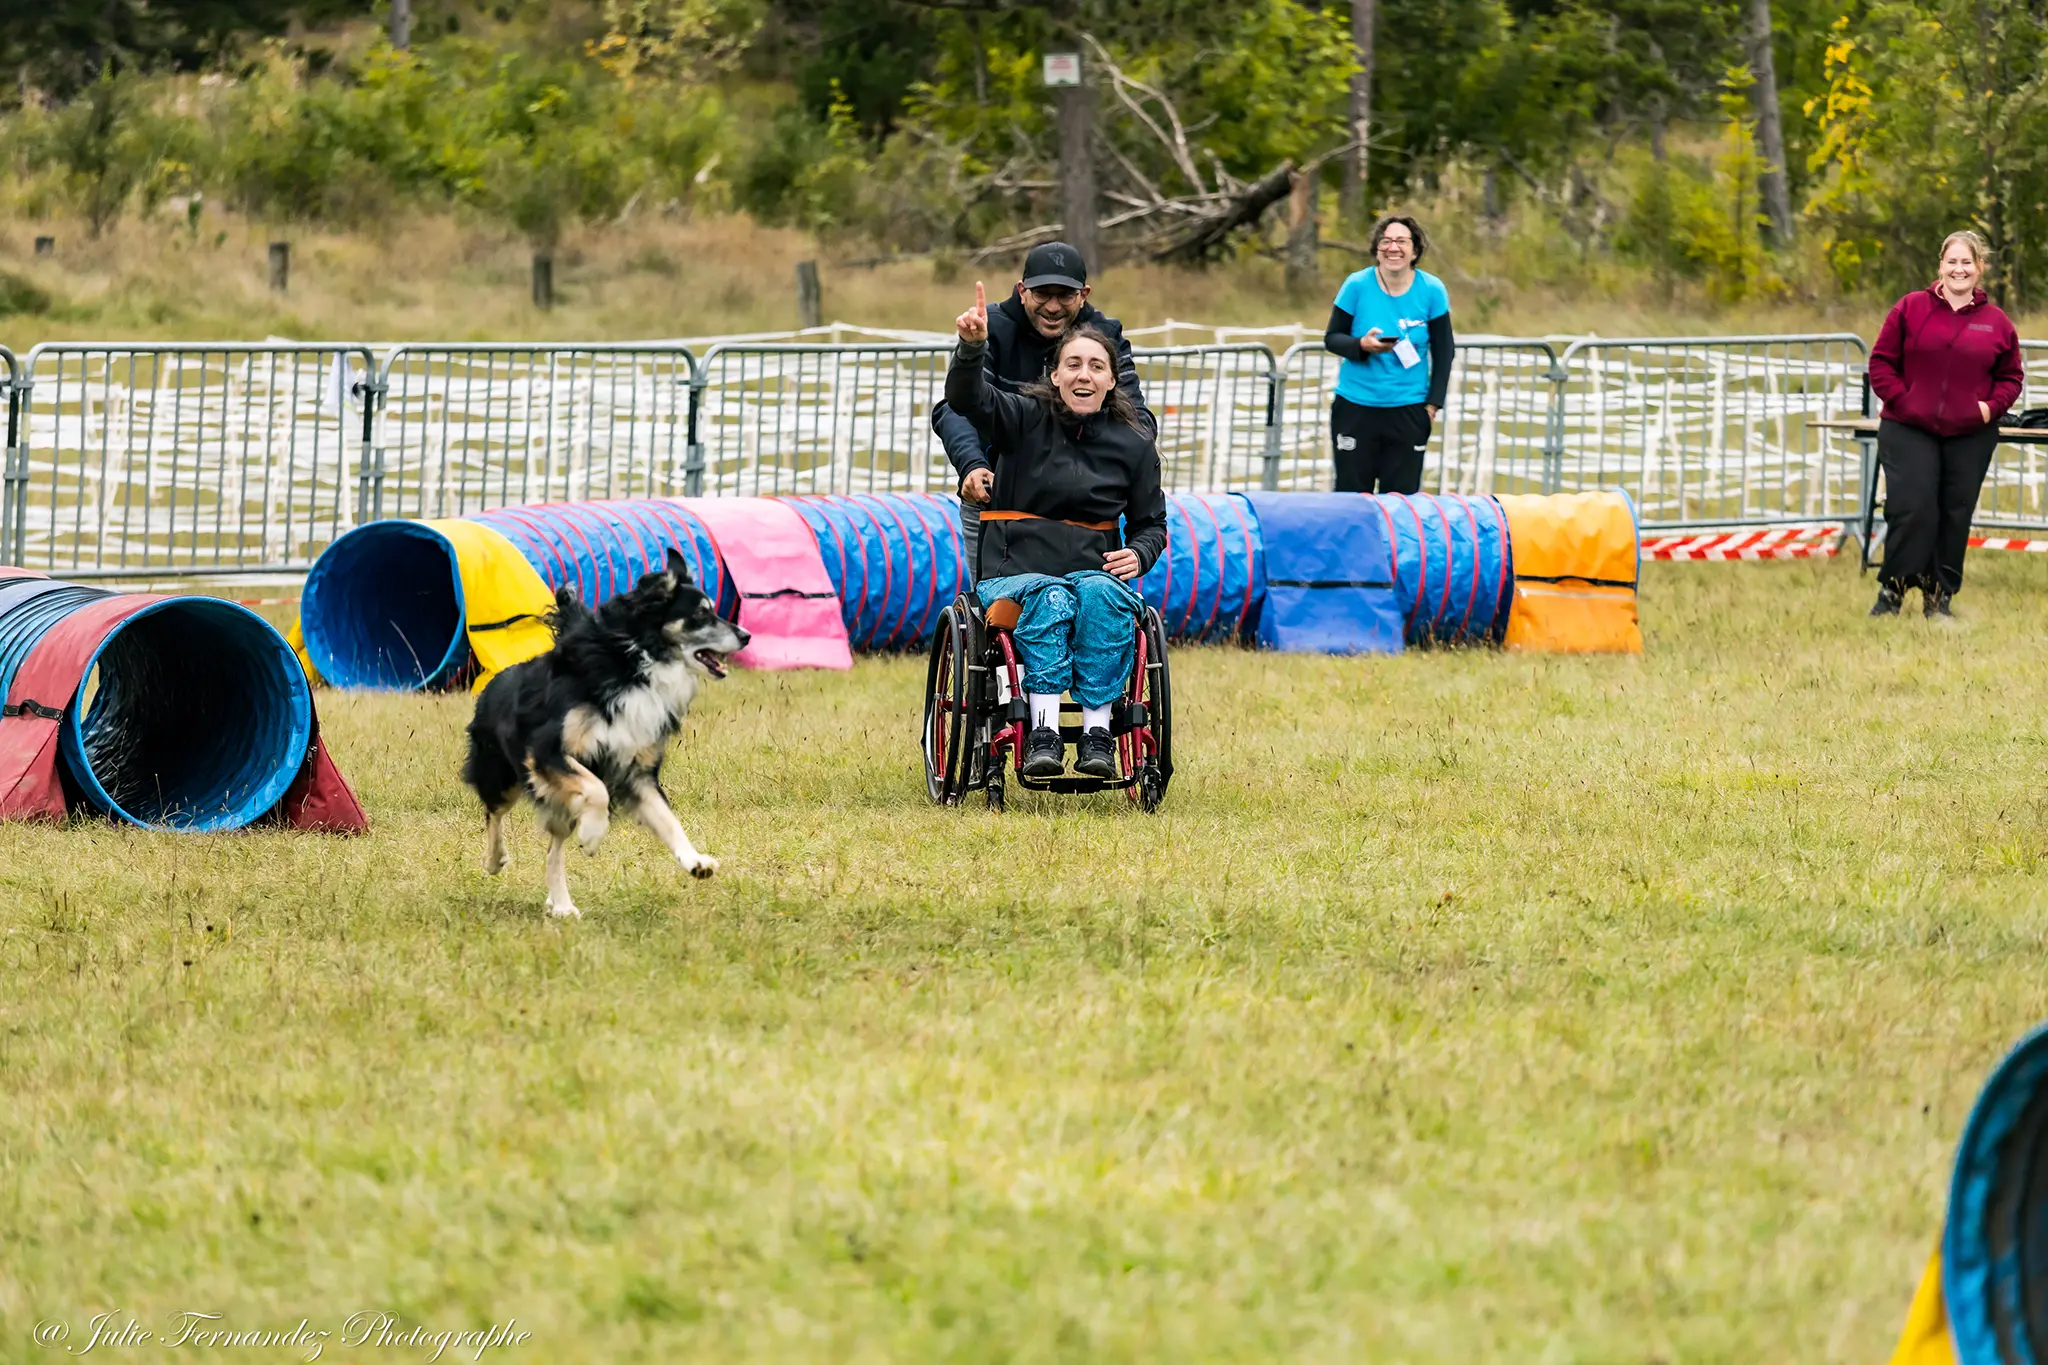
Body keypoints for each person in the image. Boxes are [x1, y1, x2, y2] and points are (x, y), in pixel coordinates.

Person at [945, 281, 1166, 781]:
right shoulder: (1022, 418)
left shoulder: (1132, 445)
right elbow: (964, 398)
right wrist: (971, 348)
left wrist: (1139, 553)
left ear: (1113, 381)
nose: (1083, 375)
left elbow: (1152, 524)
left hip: (1093, 575)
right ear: (1055, 374)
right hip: (1016, 574)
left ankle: (1097, 735)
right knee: (1052, 596)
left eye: (1096, 366)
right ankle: (1041, 732)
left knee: (1100, 596)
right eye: (1073, 364)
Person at [931, 242, 1156, 572]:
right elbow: (960, 405)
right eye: (1042, 294)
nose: (1052, 306)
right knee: (997, 608)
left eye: (1064, 295)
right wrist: (972, 464)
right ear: (1022, 291)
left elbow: (1138, 422)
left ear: (1083, 294)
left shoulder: (1104, 335)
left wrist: (1101, 469)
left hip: (1082, 505)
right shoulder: (991, 326)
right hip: (999, 498)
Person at [1866, 229, 2025, 618]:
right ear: (1940, 266)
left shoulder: (1997, 323)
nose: (1959, 269)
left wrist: (1989, 409)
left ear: (1980, 268)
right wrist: (1904, 402)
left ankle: (1939, 600)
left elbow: (2011, 377)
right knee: (1913, 505)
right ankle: (1893, 591)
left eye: (1967, 262)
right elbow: (1881, 363)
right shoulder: (1909, 308)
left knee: (1955, 512)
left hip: (1970, 433)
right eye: (1951, 261)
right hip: (1908, 427)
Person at [1322, 214, 1455, 494]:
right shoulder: (1356, 285)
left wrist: (1432, 406)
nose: (1393, 248)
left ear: (1415, 251)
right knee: (1352, 499)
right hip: (1356, 406)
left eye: (1401, 241)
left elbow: (1444, 352)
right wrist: (1362, 346)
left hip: (1408, 409)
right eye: (1386, 241)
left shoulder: (1432, 290)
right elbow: (1332, 338)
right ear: (1377, 249)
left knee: (1401, 503)